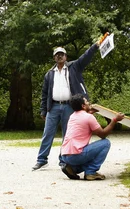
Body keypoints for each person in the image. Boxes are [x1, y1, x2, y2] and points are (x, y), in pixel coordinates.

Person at [33, 34, 107, 171]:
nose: (59, 56)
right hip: (53, 106)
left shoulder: (74, 67)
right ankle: (41, 159)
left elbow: (86, 57)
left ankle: (63, 160)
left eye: (62, 54)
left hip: (69, 106)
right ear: (54, 57)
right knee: (47, 133)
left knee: (68, 135)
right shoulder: (49, 74)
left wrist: (96, 45)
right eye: (57, 55)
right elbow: (44, 94)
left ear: (66, 57)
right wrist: (43, 110)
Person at [59, 94, 124, 180]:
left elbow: (82, 119)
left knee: (88, 152)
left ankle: (73, 169)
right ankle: (91, 172)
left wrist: (88, 112)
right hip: (76, 155)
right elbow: (103, 134)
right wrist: (114, 120)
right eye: (86, 101)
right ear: (83, 106)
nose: (89, 102)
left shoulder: (72, 116)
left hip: (65, 156)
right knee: (105, 143)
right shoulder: (88, 117)